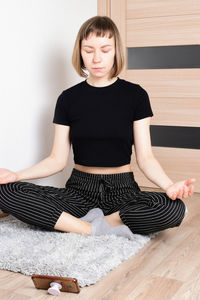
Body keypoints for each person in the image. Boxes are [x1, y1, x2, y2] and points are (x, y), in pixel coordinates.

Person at [0, 16, 196, 239]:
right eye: (88, 50)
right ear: (80, 52)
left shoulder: (136, 95)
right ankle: (90, 228)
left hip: (123, 190)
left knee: (173, 208)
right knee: (5, 191)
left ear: (115, 52)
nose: (96, 58)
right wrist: (16, 175)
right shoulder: (68, 99)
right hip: (79, 191)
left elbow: (146, 157)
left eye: (105, 49)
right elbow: (56, 159)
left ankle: (84, 224)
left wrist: (169, 186)